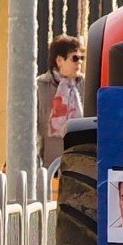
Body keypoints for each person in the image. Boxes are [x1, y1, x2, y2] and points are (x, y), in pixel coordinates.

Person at [37, 35, 84, 166]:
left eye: (81, 58)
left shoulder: (86, 84)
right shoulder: (40, 86)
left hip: (81, 161)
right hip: (50, 163)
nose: (79, 62)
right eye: (75, 58)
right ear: (59, 61)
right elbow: (32, 130)